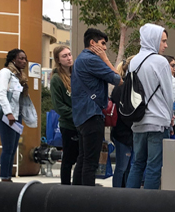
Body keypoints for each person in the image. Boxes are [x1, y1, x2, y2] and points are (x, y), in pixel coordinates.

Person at [71, 28, 122, 186]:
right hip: (92, 114)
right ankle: (86, 199)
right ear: (92, 43)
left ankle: (74, 196)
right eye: (103, 44)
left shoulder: (80, 59)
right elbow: (117, 79)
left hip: (81, 115)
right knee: (91, 162)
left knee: (83, 158)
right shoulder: (92, 60)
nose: (105, 48)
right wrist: (105, 59)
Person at [126, 24, 174, 190]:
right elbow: (168, 93)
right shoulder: (160, 62)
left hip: (138, 121)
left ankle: (129, 202)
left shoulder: (133, 62)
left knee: (137, 164)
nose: (165, 45)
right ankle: (149, 206)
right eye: (163, 41)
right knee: (154, 167)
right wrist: (170, 117)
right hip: (158, 122)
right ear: (153, 40)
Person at [0, 48, 30, 182]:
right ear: (12, 59)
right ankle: (5, 177)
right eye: (21, 58)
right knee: (8, 147)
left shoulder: (19, 76)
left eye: (25, 58)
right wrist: (9, 113)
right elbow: (1, 94)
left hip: (17, 115)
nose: (24, 61)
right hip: (7, 116)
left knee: (13, 148)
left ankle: (8, 175)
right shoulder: (6, 72)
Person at [49, 45, 79, 185]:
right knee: (68, 158)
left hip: (82, 123)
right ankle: (65, 186)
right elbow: (58, 106)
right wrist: (75, 115)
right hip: (68, 124)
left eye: (69, 54)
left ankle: (78, 185)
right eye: (64, 56)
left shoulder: (77, 74)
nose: (68, 58)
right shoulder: (56, 79)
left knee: (82, 157)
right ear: (58, 60)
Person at [110, 58, 135, 187]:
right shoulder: (122, 88)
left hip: (126, 132)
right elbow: (123, 113)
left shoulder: (126, 87)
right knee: (122, 167)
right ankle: (117, 193)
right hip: (123, 133)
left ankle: (123, 191)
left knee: (127, 168)